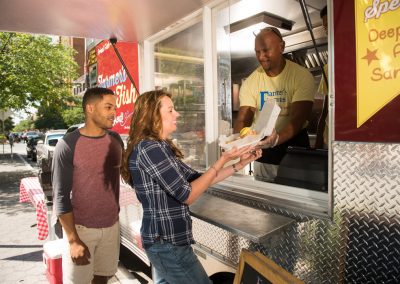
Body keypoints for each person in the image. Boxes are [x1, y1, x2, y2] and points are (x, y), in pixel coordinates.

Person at [121, 90, 262, 284]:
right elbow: (187, 194)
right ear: (153, 115)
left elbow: (200, 179)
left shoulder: (160, 147)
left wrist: (239, 164)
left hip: (167, 241)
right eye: (170, 110)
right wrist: (222, 159)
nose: (177, 114)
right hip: (167, 242)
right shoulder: (150, 148)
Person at [52, 87, 124, 284]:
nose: (114, 113)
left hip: (111, 226)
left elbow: (124, 173)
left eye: (115, 108)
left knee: (102, 279)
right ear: (90, 108)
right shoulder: (67, 145)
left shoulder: (116, 140)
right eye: (108, 107)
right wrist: (73, 240)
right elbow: (60, 197)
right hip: (81, 229)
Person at [234, 27, 315, 182]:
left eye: (265, 50)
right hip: (264, 152)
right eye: (257, 52)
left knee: (295, 199)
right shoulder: (251, 82)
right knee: (264, 200)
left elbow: (298, 119)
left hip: (294, 149)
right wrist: (239, 141)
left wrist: (276, 139)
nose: (261, 56)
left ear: (282, 47)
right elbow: (244, 118)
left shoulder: (301, 76)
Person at [315, 5, 329, 149]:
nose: (327, 31)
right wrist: (318, 140)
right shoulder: (328, 68)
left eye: (329, 25)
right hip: (328, 139)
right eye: (325, 27)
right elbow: (325, 109)